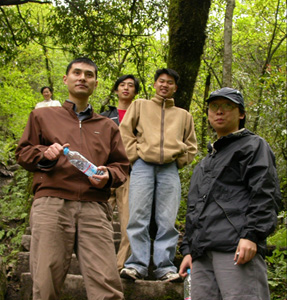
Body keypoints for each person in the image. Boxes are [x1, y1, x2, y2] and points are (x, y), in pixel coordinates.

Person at [15, 57, 130, 300]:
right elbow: (23, 153)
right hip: (51, 204)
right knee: (45, 284)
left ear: (95, 84)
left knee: (107, 285)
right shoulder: (42, 116)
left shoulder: (108, 126)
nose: (82, 78)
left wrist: (108, 175)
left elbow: (121, 166)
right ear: (66, 79)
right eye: (77, 73)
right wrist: (44, 154)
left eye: (89, 75)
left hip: (95, 208)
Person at [179, 87, 281, 299]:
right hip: (201, 254)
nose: (219, 111)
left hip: (235, 248)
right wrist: (188, 249)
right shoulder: (204, 163)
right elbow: (194, 208)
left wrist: (252, 235)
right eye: (214, 106)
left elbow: (265, 192)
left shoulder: (253, 146)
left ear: (241, 114)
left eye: (228, 106)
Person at [119, 68, 197, 282]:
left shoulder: (183, 115)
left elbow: (191, 145)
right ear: (155, 84)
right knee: (138, 215)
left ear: (175, 88)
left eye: (170, 82)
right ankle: (136, 265)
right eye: (161, 81)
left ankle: (165, 267)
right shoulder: (140, 105)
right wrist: (135, 156)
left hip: (169, 168)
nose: (165, 85)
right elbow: (125, 132)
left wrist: (179, 160)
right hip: (143, 165)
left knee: (167, 218)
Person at [101, 74, 140, 272]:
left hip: (128, 173)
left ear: (135, 91)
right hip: (104, 174)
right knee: (98, 220)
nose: (126, 88)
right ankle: (97, 262)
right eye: (122, 85)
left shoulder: (141, 115)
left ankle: (119, 266)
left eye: (130, 86)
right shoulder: (105, 116)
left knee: (127, 223)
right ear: (116, 90)